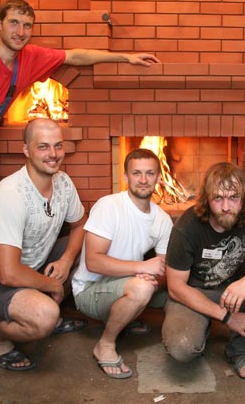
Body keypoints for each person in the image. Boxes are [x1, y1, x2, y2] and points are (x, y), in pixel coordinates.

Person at [0, 0, 160, 353]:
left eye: (27, 25)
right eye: (13, 23)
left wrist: (125, 57)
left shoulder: (27, 60)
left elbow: (76, 56)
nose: (20, 31)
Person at [0, 118, 87, 371]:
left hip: (31, 265)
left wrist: (65, 260)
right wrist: (53, 284)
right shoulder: (11, 195)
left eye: (58, 145)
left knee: (93, 245)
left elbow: (80, 225)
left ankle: (41, 305)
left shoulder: (63, 182)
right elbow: (7, 273)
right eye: (43, 147)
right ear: (26, 150)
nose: (53, 154)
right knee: (44, 317)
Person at [162, 162, 245, 380]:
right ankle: (202, 324)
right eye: (218, 198)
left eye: (233, 198)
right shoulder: (187, 226)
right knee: (182, 348)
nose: (226, 206)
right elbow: (175, 287)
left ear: (244, 197)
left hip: (233, 289)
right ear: (206, 199)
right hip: (194, 293)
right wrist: (227, 317)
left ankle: (239, 350)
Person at [71, 148, 173, 379]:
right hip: (90, 289)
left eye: (150, 173)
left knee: (177, 288)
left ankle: (179, 345)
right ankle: (105, 344)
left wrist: (152, 277)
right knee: (141, 288)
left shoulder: (162, 219)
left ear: (159, 177)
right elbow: (93, 261)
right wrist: (142, 269)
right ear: (126, 177)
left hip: (126, 282)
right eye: (136, 173)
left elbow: (164, 269)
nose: (143, 179)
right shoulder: (109, 206)